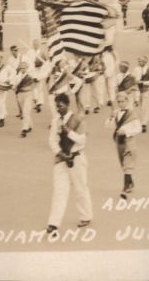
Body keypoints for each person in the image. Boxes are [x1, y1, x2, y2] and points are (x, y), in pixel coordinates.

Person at [46, 93, 93, 235]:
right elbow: (52, 140)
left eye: (60, 106)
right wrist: (60, 153)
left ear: (67, 105)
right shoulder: (55, 121)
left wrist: (69, 132)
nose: (58, 109)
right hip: (62, 158)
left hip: (77, 158)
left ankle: (86, 216)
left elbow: (82, 140)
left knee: (80, 189)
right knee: (59, 191)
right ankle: (53, 223)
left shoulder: (77, 119)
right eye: (56, 106)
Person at [106, 91, 142, 196]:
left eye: (123, 101)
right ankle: (130, 183)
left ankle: (125, 188)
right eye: (119, 102)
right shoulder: (117, 113)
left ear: (127, 100)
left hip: (129, 141)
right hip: (119, 142)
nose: (121, 103)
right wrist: (111, 117)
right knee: (123, 164)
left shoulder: (132, 113)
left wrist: (126, 132)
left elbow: (138, 128)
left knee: (128, 163)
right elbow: (109, 126)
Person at [12, 62, 37, 138]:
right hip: (20, 95)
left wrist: (36, 98)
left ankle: (24, 130)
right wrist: (13, 86)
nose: (23, 69)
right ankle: (30, 126)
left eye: (24, 68)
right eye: (21, 68)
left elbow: (34, 87)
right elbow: (14, 85)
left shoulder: (30, 76)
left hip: (28, 94)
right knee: (24, 111)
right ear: (20, 68)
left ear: (27, 68)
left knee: (25, 112)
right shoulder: (17, 77)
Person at [133, 56, 149, 133]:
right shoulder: (136, 69)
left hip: (146, 90)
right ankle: (138, 122)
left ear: (145, 62)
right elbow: (133, 79)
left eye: (141, 61)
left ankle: (144, 123)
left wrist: (143, 82)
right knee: (138, 107)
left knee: (145, 107)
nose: (140, 62)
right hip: (138, 90)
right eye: (139, 61)